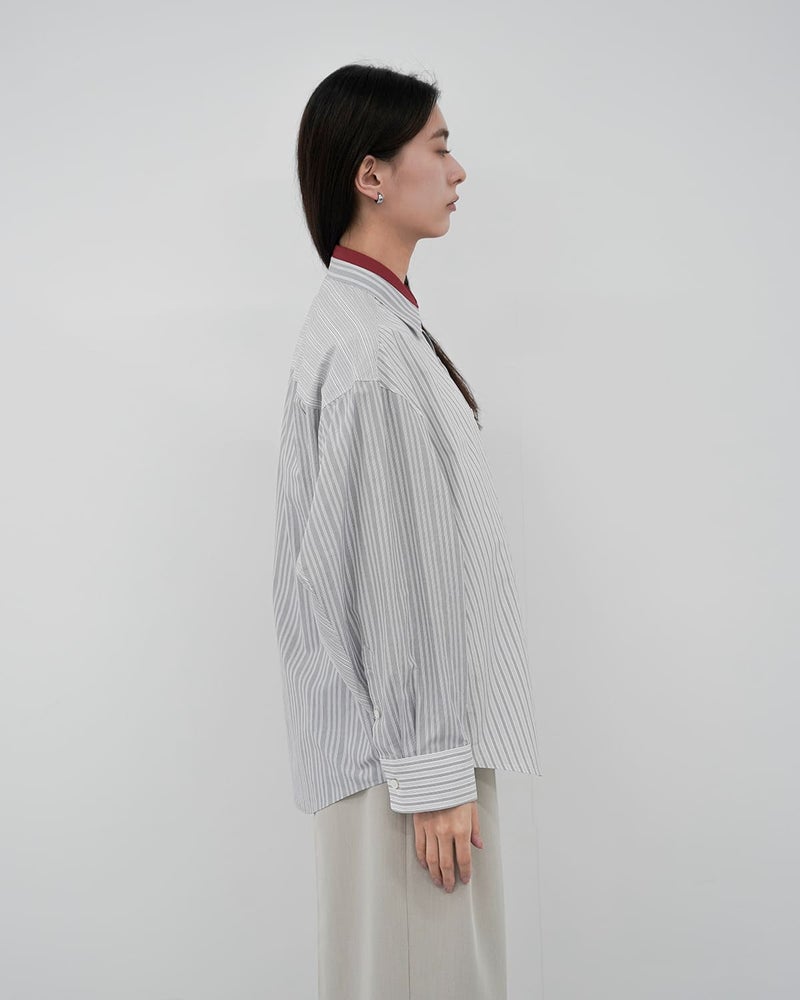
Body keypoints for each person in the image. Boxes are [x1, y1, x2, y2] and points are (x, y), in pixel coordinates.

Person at [272, 62, 543, 1000]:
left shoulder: (371, 328)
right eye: (439, 146)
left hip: (398, 759)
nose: (458, 171)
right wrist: (434, 774)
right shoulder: (372, 352)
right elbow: (395, 576)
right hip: (408, 773)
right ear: (371, 174)